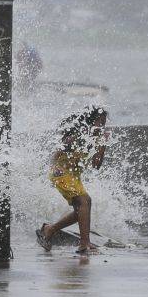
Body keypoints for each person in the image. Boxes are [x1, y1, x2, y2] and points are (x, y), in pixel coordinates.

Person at [36, 106, 109, 254]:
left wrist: (102, 145)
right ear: (90, 121)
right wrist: (54, 166)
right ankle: (84, 243)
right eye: (99, 122)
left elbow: (96, 165)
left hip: (74, 175)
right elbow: (57, 153)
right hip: (60, 172)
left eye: (103, 123)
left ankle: (50, 229)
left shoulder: (97, 139)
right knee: (83, 201)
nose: (101, 126)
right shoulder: (78, 133)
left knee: (85, 205)